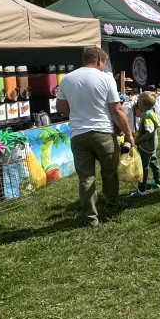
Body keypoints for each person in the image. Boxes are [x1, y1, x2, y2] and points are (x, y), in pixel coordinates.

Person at [56, 46, 136, 226]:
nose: (104, 65)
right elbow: (117, 109)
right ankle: (112, 204)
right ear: (99, 60)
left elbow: (60, 108)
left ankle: (90, 218)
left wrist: (78, 113)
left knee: (86, 178)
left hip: (78, 134)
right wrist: (129, 134)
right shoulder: (106, 78)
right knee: (109, 172)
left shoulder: (67, 78)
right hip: (103, 133)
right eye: (105, 62)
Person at [129, 91, 160, 197]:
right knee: (154, 163)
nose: (137, 102)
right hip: (152, 146)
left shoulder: (147, 117)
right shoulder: (151, 113)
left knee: (142, 168)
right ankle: (157, 182)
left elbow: (149, 132)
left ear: (142, 104)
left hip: (146, 147)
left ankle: (141, 190)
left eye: (138, 101)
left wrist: (139, 139)